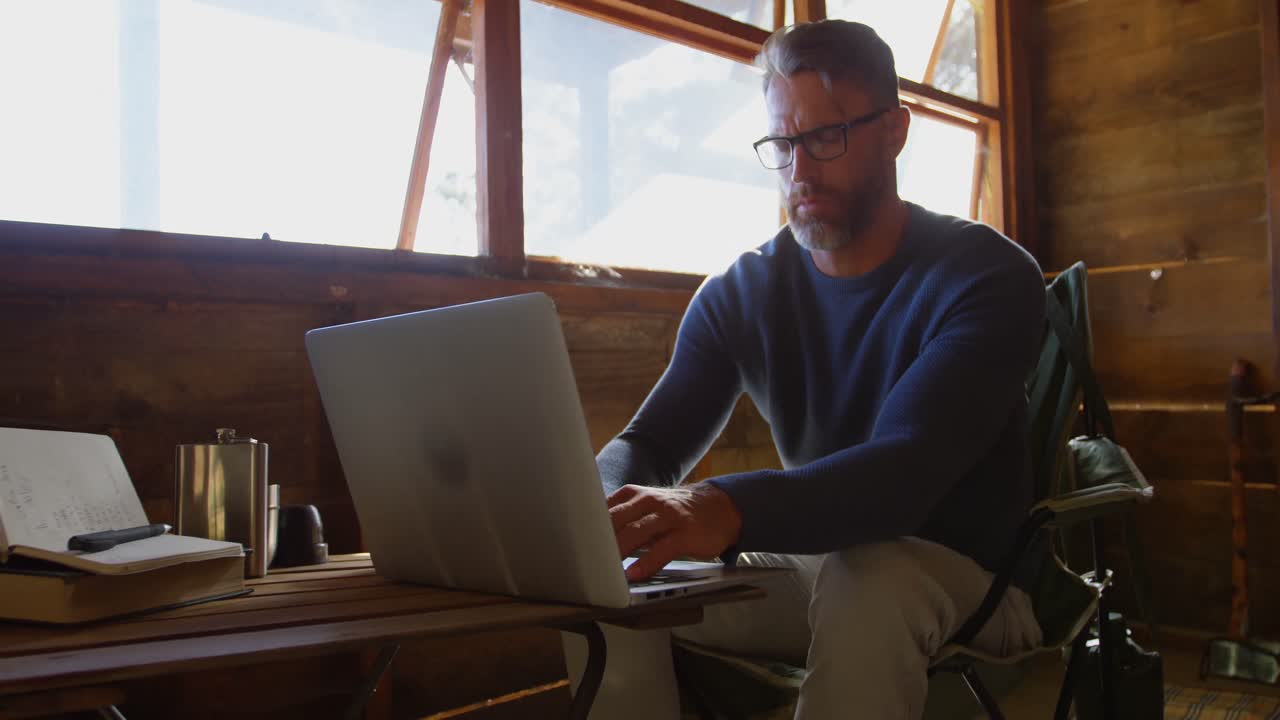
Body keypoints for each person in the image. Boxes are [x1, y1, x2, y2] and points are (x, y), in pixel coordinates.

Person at [562, 19, 1046, 720]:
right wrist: (597, 515)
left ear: (895, 130)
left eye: (826, 137)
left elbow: (903, 474)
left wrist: (718, 506)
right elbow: (654, 443)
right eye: (783, 144)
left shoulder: (987, 275)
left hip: (976, 581)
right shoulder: (742, 291)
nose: (801, 170)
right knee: (616, 578)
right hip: (823, 562)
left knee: (871, 575)